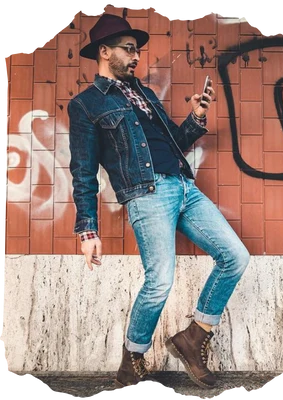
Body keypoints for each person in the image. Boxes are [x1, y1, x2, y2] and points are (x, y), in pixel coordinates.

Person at [68, 13, 250, 390]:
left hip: (185, 187)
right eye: (128, 49)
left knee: (235, 256)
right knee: (159, 281)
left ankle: (194, 336)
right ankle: (131, 359)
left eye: (138, 50)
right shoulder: (86, 106)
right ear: (104, 52)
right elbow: (83, 172)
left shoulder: (146, 94)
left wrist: (196, 117)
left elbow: (173, 145)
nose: (136, 56)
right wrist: (88, 229)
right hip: (146, 195)